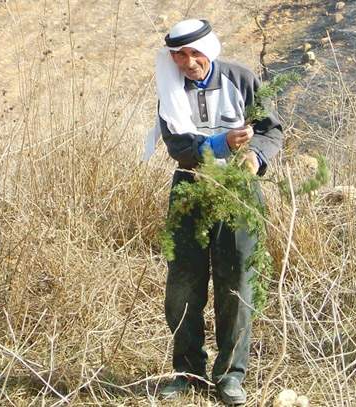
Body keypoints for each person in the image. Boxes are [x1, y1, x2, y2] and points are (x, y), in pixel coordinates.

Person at [144, 19, 283, 405]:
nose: (188, 62)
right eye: (179, 55)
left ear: (210, 49)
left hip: (238, 192)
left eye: (194, 53)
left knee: (237, 281)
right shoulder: (170, 89)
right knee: (183, 284)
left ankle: (231, 376)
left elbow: (272, 130)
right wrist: (221, 143)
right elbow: (178, 146)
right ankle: (187, 373)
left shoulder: (241, 78)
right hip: (189, 188)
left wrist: (256, 157)